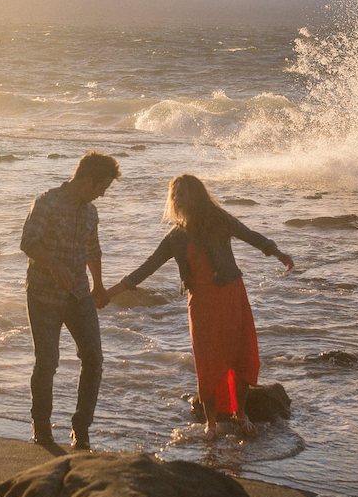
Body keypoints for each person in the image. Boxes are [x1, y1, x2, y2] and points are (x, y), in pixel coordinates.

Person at [104, 174, 293, 440]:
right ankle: (211, 423)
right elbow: (146, 268)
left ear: (197, 196)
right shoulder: (175, 237)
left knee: (242, 355)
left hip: (231, 296)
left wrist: (277, 253)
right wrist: (107, 294)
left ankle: (241, 413)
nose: (178, 199)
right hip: (202, 304)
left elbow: (249, 235)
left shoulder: (219, 220)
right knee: (208, 360)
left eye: (183, 194)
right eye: (174, 195)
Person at [19, 151, 121, 450]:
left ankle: (81, 428)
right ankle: (42, 428)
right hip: (43, 294)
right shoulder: (47, 202)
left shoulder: (90, 212)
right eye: (101, 187)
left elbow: (94, 251)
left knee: (94, 359)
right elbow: (28, 242)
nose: (103, 194)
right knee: (47, 362)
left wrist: (99, 287)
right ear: (87, 181)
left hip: (79, 294)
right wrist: (53, 264)